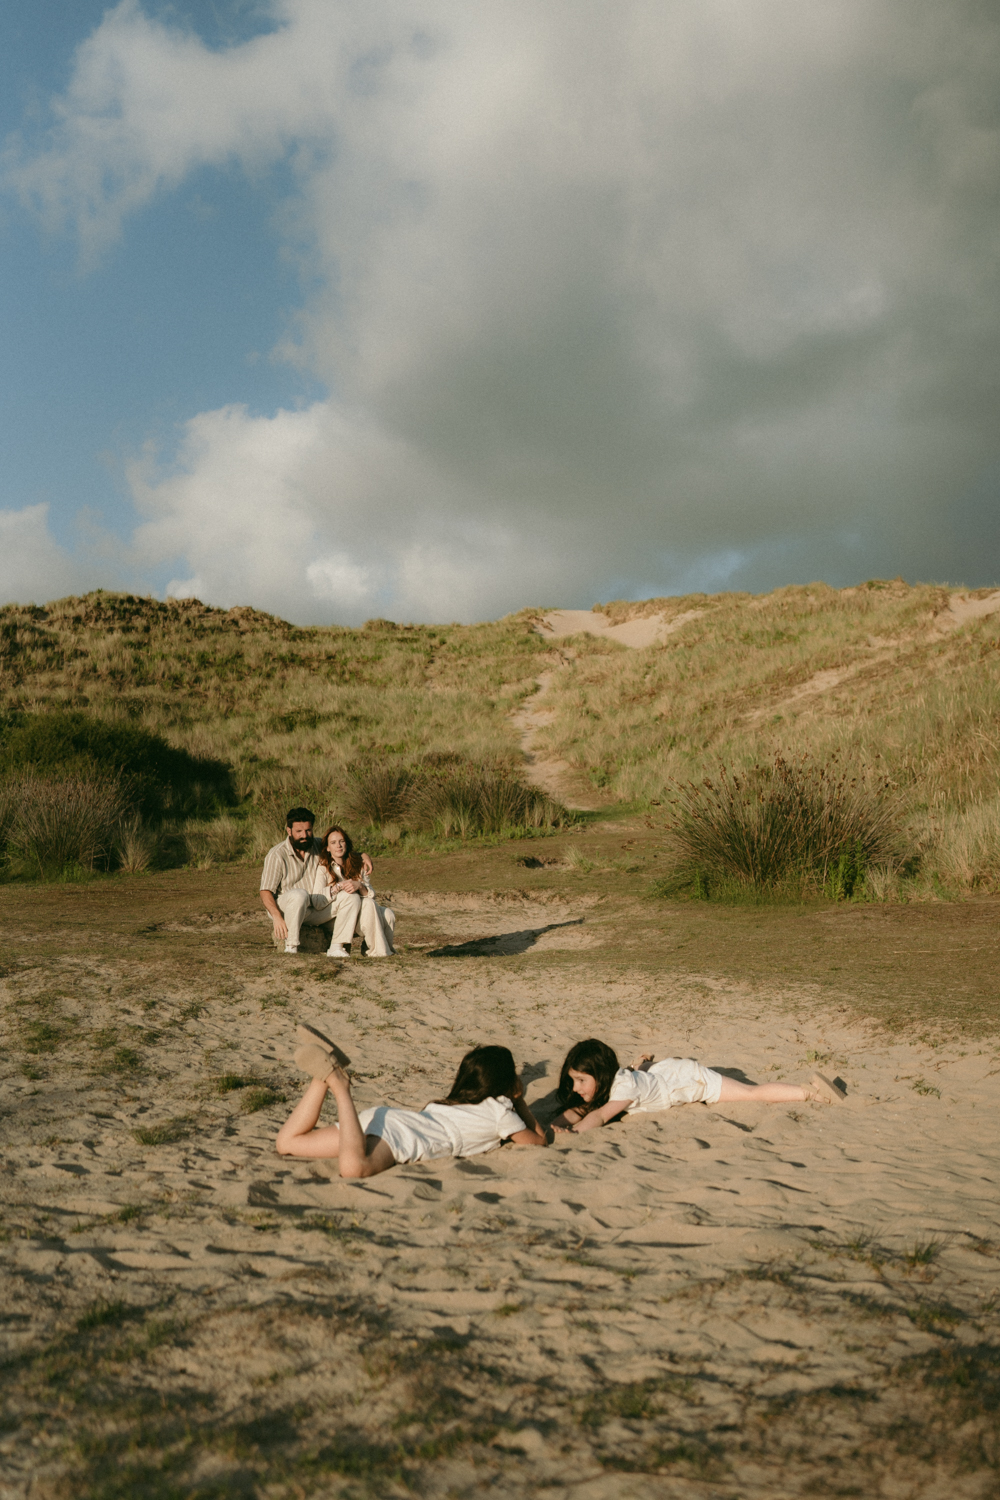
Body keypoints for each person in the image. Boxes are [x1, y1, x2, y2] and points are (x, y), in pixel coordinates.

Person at [276, 1025, 546, 1177]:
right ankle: (340, 1086)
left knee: (287, 1144)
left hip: (390, 1119)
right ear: (507, 1085)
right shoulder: (501, 1112)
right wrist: (520, 1102)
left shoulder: (452, 1103)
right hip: (404, 1136)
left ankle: (323, 1075)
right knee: (355, 1169)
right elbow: (539, 1141)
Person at [550, 1037, 846, 1133]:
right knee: (642, 1071)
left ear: (601, 1076)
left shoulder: (622, 1090)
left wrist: (574, 1132)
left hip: (690, 1080)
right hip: (661, 1074)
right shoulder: (615, 1079)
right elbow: (582, 1108)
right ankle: (643, 1063)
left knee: (751, 1094)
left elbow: (598, 1116)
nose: (576, 1087)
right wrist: (556, 1125)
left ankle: (809, 1092)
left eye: (580, 1080)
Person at [259, 807, 372, 956]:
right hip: (287, 908)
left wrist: (364, 856)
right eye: (299, 831)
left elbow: (344, 850)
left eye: (308, 830)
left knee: (350, 897)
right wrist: (277, 917)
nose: (304, 835)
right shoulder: (277, 854)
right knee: (300, 895)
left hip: (314, 907)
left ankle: (337, 947)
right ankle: (291, 946)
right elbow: (265, 891)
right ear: (289, 831)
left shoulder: (318, 845)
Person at [314, 825, 396, 958]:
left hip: (360, 913)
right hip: (335, 917)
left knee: (388, 914)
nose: (338, 846)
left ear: (347, 843)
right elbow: (317, 901)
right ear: (328, 848)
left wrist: (359, 886)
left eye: (341, 841)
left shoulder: (358, 864)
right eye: (333, 843)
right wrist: (338, 888)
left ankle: (382, 949)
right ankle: (378, 952)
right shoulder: (323, 868)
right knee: (366, 903)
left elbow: (371, 895)